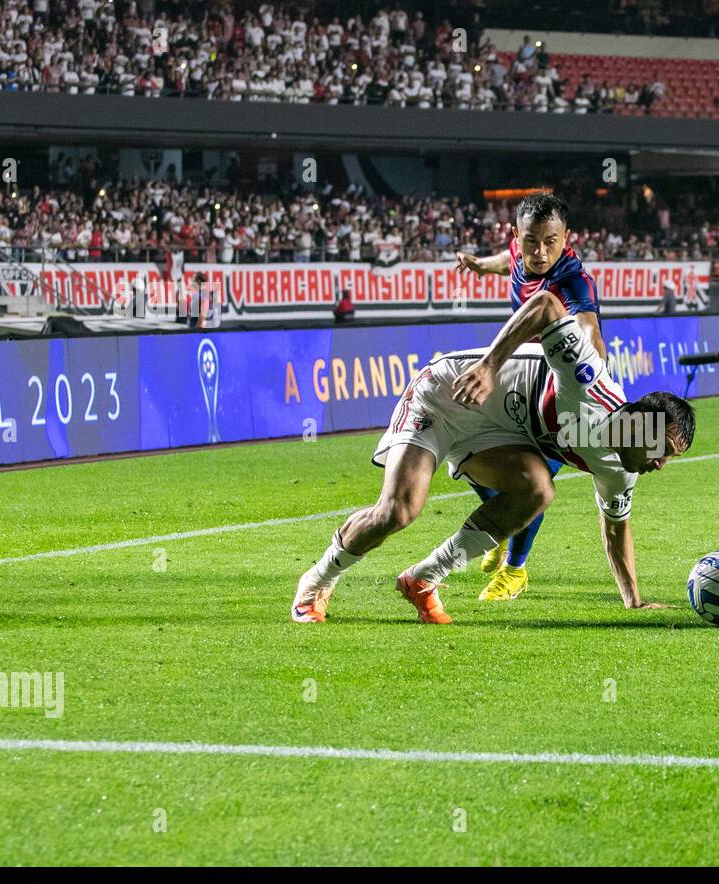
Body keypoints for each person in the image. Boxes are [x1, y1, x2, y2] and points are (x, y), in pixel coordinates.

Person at [290, 290, 695, 625]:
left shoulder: (620, 470)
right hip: (445, 396)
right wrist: (488, 366)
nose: (660, 465)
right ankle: (317, 579)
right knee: (398, 511)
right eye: (662, 450)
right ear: (640, 421)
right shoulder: (588, 380)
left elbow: (615, 530)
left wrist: (633, 601)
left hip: (492, 435)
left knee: (538, 490)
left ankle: (423, 578)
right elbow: (545, 305)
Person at [451, 194, 603, 601]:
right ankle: (501, 526)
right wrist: (481, 266)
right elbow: (509, 261)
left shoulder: (571, 279)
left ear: (566, 237)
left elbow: (587, 325)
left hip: (559, 393)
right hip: (516, 378)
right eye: (531, 241)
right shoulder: (521, 253)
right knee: (466, 456)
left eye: (550, 242)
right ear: (517, 236)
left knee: (532, 481)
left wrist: (592, 372)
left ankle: (515, 571)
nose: (540, 252)